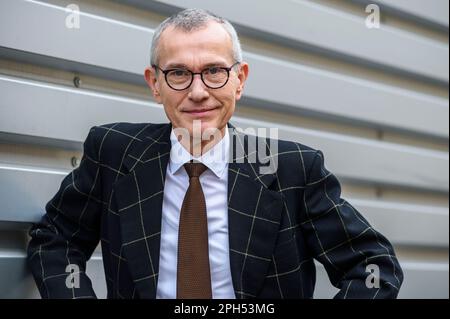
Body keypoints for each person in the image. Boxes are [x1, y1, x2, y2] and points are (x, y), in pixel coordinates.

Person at [27, 8, 403, 299]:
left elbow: (373, 265)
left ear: (240, 80)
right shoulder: (114, 152)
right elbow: (55, 239)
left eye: (214, 72)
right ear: (154, 84)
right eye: (178, 74)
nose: (197, 91)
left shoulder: (292, 169)